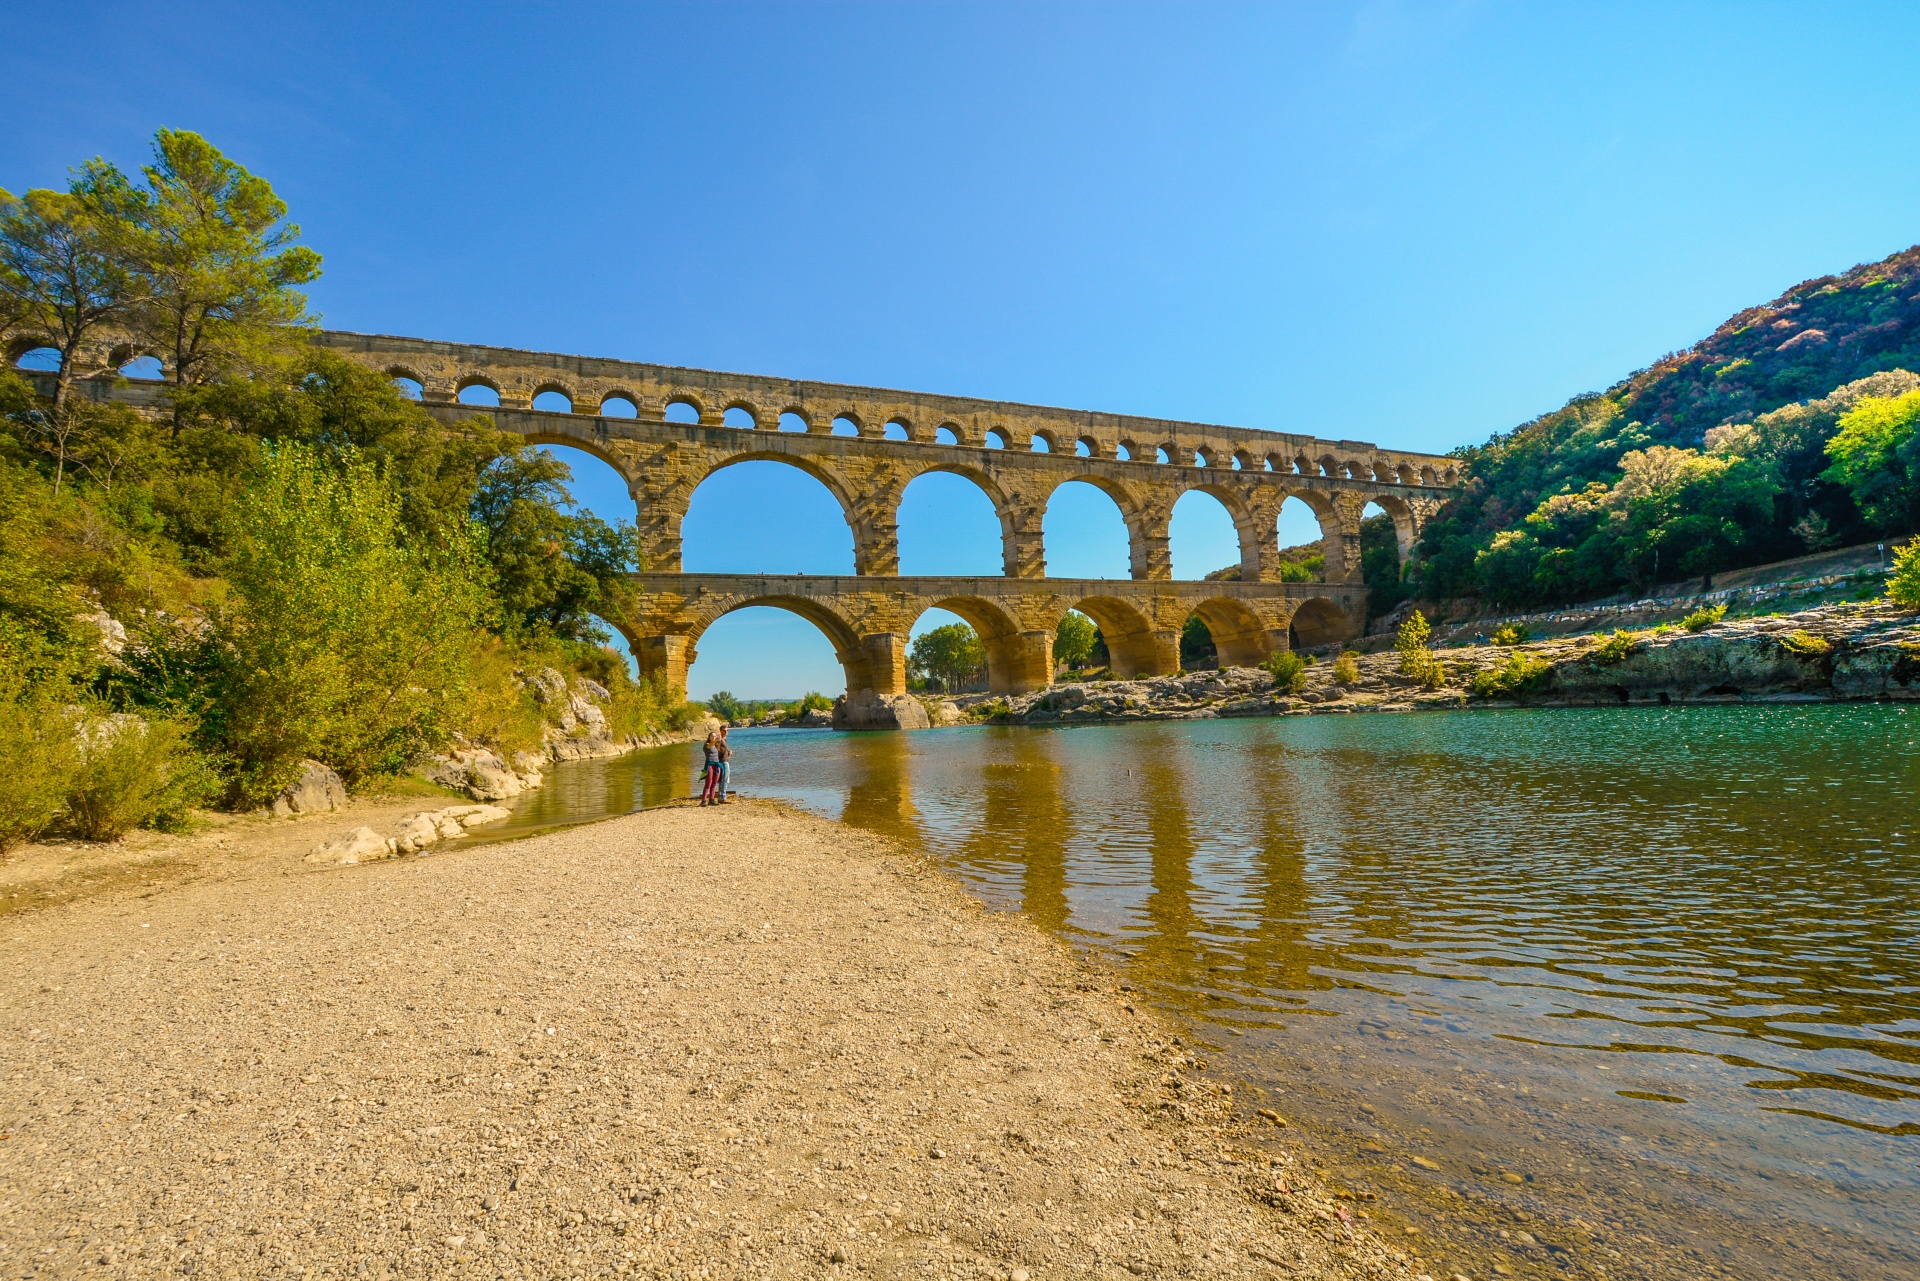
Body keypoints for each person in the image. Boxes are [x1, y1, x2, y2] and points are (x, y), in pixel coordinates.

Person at [698, 731, 720, 805]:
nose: (713, 737)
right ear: (709, 737)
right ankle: (703, 800)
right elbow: (710, 745)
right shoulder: (707, 744)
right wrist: (715, 740)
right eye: (712, 736)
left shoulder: (715, 745)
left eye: (714, 736)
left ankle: (712, 799)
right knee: (708, 784)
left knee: (714, 783)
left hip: (716, 765)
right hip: (709, 765)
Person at [715, 725, 733, 803]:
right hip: (723, 761)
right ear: (720, 731)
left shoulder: (724, 739)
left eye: (727, 730)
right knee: (724, 780)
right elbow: (717, 748)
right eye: (724, 730)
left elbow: (723, 749)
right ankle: (722, 797)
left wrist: (729, 752)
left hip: (725, 760)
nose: (726, 732)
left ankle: (721, 796)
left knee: (724, 780)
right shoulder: (720, 739)